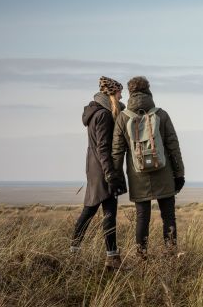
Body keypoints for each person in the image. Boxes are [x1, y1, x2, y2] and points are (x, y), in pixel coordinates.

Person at [112, 76, 185, 259]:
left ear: (130, 92)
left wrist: (116, 179)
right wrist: (179, 174)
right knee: (168, 216)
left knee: (142, 218)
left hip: (138, 176)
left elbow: (117, 152)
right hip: (164, 173)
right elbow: (173, 146)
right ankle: (170, 256)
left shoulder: (123, 117)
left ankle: (141, 258)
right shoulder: (161, 114)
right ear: (149, 90)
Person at [71, 76, 128, 269]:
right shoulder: (103, 115)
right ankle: (77, 253)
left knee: (100, 212)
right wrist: (110, 173)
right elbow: (103, 148)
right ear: (111, 94)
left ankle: (110, 257)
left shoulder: (97, 112)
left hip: (97, 169)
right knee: (93, 212)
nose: (122, 95)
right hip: (104, 170)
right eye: (119, 92)